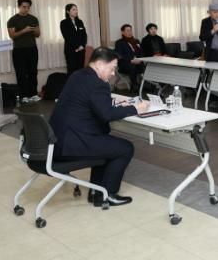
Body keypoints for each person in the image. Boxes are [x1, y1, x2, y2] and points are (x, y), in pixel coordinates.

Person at [49, 47, 150, 207]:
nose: (113, 73)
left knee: (105, 144)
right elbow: (107, 114)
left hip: (58, 140)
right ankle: (107, 195)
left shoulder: (78, 75)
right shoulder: (97, 83)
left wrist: (115, 102)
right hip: (73, 143)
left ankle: (96, 192)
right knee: (125, 148)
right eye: (112, 68)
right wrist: (136, 108)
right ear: (99, 64)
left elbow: (88, 101)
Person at [7, 0, 40, 100]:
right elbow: (12, 35)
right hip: (19, 50)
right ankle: (24, 96)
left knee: (33, 72)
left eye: (28, 7)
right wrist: (24, 30)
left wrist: (34, 30)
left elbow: (38, 34)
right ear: (19, 6)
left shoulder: (33, 19)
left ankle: (34, 94)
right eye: (24, 7)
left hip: (32, 48)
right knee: (21, 73)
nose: (26, 9)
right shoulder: (12, 20)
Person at [60, 3, 87, 76]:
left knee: (80, 71)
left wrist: (82, 45)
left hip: (81, 50)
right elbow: (67, 37)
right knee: (72, 72)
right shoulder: (64, 23)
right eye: (74, 9)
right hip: (71, 51)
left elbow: (84, 35)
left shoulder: (80, 22)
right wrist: (77, 47)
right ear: (68, 11)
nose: (76, 11)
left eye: (77, 9)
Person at [114, 24, 144, 92]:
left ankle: (147, 85)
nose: (130, 32)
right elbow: (119, 55)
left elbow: (141, 52)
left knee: (146, 66)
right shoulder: (119, 42)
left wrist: (140, 59)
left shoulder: (136, 41)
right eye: (127, 30)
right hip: (125, 63)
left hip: (138, 62)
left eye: (130, 30)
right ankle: (135, 85)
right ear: (122, 32)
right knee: (132, 66)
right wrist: (131, 60)